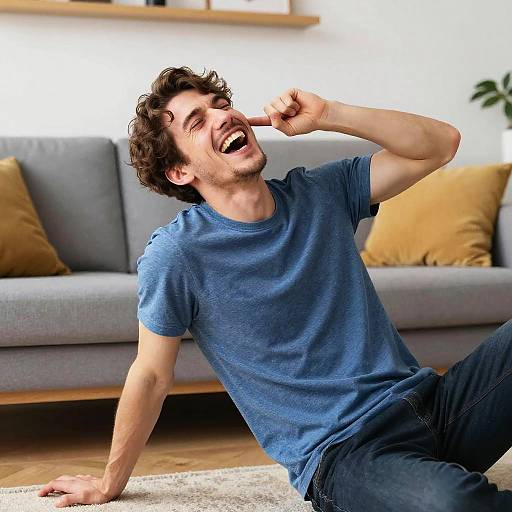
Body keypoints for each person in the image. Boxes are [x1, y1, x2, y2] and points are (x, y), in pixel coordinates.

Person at [38, 66, 511, 510]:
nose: (223, 115)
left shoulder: (321, 192)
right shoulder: (177, 254)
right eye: (197, 122)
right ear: (180, 172)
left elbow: (440, 144)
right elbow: (151, 375)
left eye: (220, 102)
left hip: (432, 406)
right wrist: (109, 481)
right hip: (344, 453)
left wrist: (329, 114)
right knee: (454, 503)